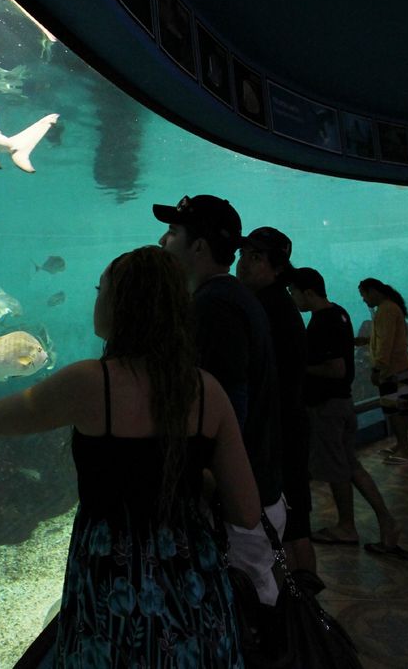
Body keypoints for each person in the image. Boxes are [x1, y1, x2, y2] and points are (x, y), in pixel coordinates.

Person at [0, 246, 260, 667]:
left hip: (109, 577)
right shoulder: (207, 390)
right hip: (192, 578)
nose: (96, 298)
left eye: (101, 289)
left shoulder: (88, 383)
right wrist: (193, 479)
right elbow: (246, 511)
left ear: (121, 304)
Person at [153, 194, 285, 605]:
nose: (163, 240)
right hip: (251, 497)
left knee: (244, 626)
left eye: (174, 232)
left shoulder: (214, 307)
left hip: (239, 509)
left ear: (198, 247)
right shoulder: (228, 298)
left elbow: (228, 414)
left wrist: (206, 484)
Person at [289, 268, 408, 561]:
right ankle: (387, 520)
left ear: (308, 292)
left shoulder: (322, 322)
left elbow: (336, 369)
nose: (292, 299)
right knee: (351, 466)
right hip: (343, 404)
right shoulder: (340, 313)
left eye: (293, 293)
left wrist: (298, 367)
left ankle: (346, 527)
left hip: (328, 408)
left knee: (337, 469)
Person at [235, 227, 314, 576]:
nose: (244, 263)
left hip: (280, 435)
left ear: (277, 267)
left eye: (256, 257)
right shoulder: (277, 304)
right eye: (244, 255)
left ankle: (298, 610)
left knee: (288, 527)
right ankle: (303, 606)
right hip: (289, 430)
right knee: (294, 526)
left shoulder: (265, 308)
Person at [356, 277, 408, 464]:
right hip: (402, 367)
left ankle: (405, 451)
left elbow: (385, 343)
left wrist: (377, 368)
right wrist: (366, 341)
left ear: (373, 291)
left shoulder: (385, 311)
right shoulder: (391, 307)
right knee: (401, 408)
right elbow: (387, 338)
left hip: (392, 371)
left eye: (364, 295)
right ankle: (401, 445)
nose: (364, 300)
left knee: (393, 409)